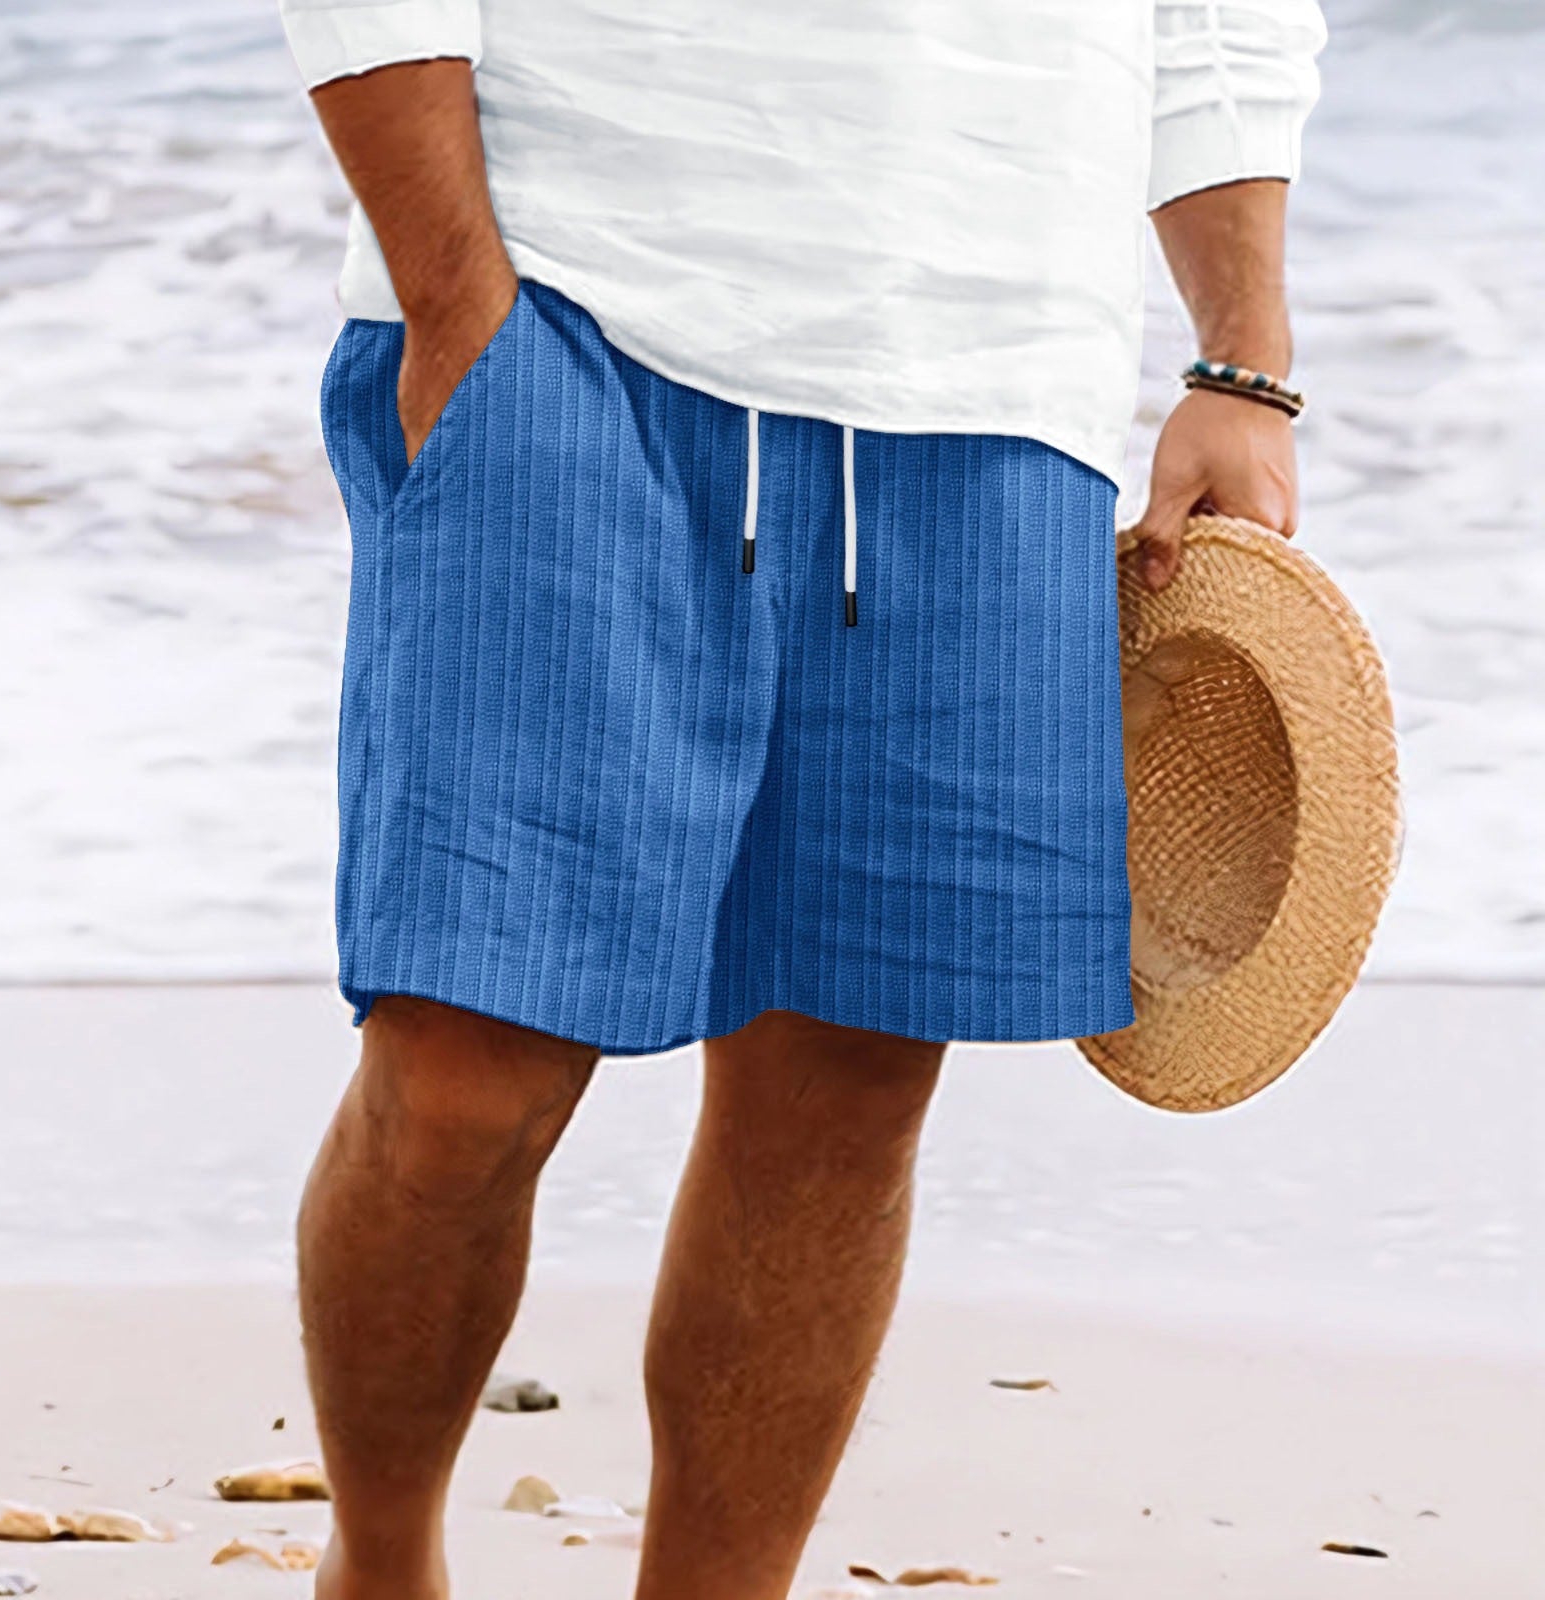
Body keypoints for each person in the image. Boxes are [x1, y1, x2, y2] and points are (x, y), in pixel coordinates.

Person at [277, 2, 1326, 1595]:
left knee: (845, 1084)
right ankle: (382, 1566)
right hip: (569, 304)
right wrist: (449, 294)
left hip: (994, 369)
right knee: (463, 1065)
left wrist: (1242, 362)